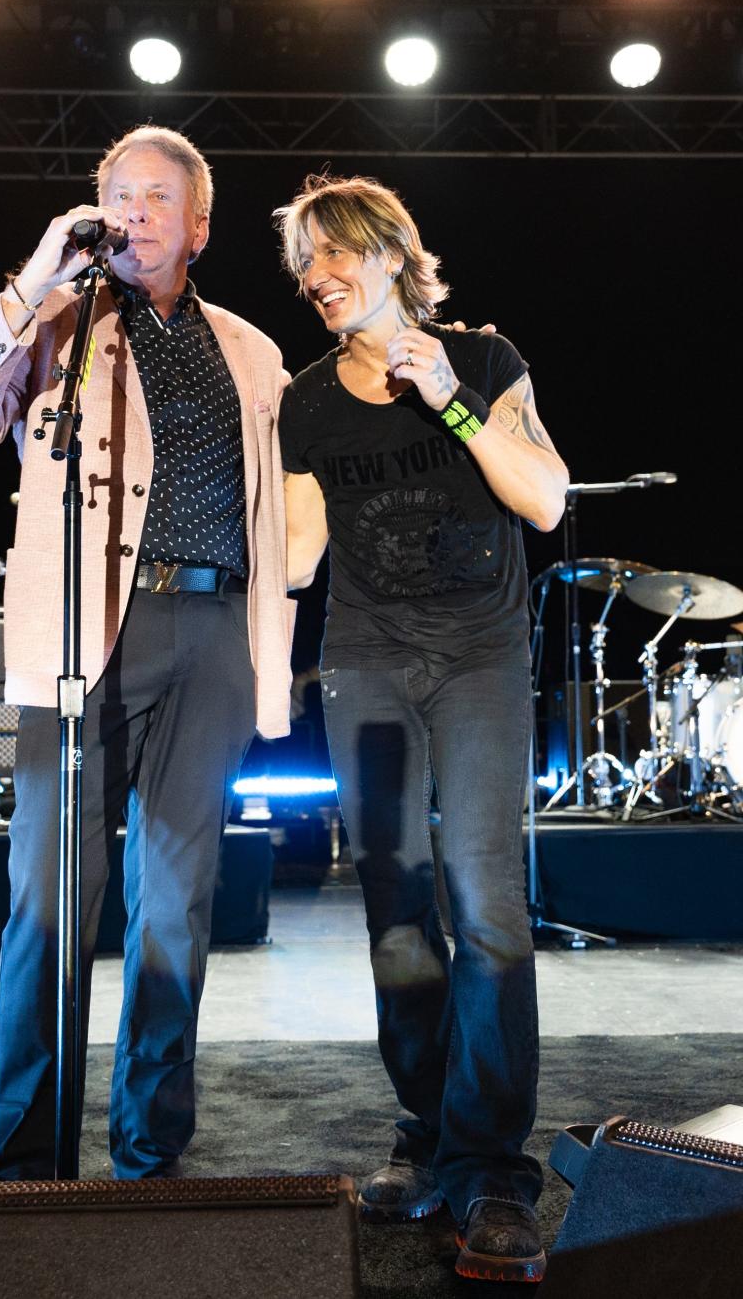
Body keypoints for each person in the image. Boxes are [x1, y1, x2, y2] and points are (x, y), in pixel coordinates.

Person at [0, 125, 294, 1180]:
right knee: (49, 899)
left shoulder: (253, 351)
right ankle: (29, 1160)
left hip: (214, 636)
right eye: (117, 194)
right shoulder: (57, 323)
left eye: (156, 198)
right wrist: (35, 276)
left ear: (199, 226)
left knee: (178, 905)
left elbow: (285, 505)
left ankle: (150, 1154)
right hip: (86, 638)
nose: (132, 212)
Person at [275, 174, 568, 1283]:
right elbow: (300, 557)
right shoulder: (306, 400)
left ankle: (492, 1164)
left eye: (333, 253)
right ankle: (427, 1133)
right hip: (366, 662)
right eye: (303, 263)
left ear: (392, 253)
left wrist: (446, 395)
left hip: (482, 661)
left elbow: (544, 498)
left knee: (488, 906)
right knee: (397, 914)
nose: (316, 277)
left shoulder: (484, 363)